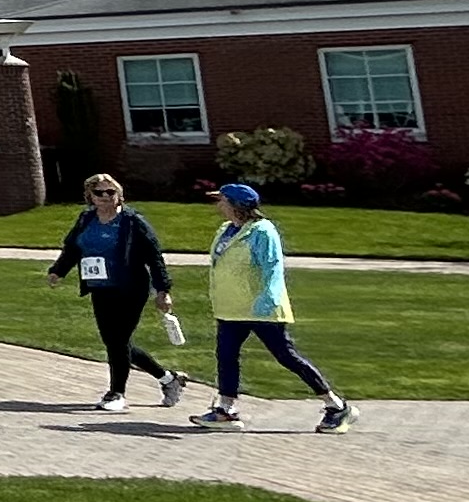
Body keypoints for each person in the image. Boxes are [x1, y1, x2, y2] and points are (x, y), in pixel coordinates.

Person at [194, 181, 348, 431]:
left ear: (235, 205)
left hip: (260, 308)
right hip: (231, 308)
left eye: (222, 201)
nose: (218, 205)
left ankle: (336, 406)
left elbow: (272, 267)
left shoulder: (262, 232)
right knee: (226, 357)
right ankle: (225, 410)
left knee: (286, 356)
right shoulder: (226, 229)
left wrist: (267, 300)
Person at [46, 172, 184, 408]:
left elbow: (154, 257)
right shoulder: (86, 219)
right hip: (100, 288)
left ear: (119, 194)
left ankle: (116, 393)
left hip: (131, 288)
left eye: (110, 192)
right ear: (90, 196)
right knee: (115, 342)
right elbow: (73, 248)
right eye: (99, 192)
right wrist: (58, 271)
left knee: (118, 341)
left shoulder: (132, 222)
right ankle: (168, 378)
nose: (105, 196)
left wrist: (163, 290)